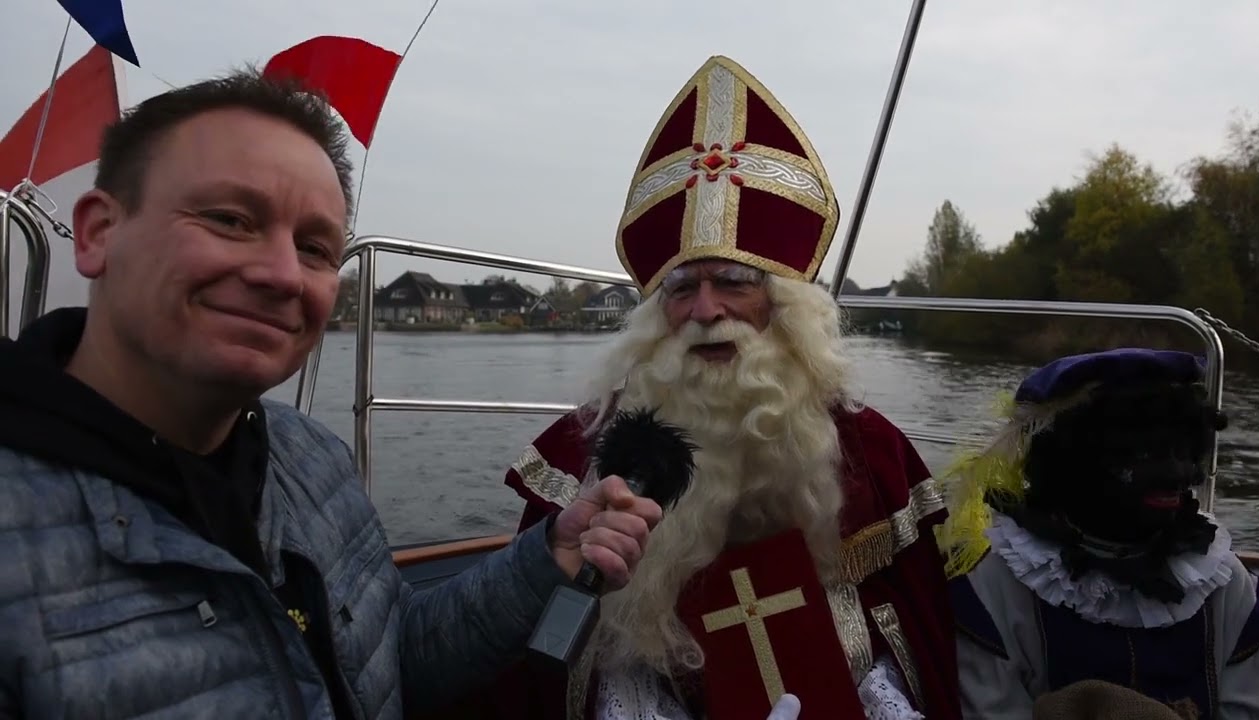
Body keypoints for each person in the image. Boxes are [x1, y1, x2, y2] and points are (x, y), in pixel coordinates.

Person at [0, 70, 662, 719]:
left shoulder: (311, 458)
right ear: (98, 232)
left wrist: (547, 559)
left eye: (315, 249)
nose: (283, 274)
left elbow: (393, 663)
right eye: (230, 219)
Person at [492, 55, 961, 720]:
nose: (706, 310)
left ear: (784, 307)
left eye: (734, 282)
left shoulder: (867, 448)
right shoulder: (587, 450)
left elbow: (908, 623)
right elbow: (546, 651)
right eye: (682, 288)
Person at [937, 348, 1259, 718]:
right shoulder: (998, 587)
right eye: (1143, 454)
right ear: (1071, 462)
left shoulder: (1223, 581)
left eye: (1182, 453)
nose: (1176, 475)